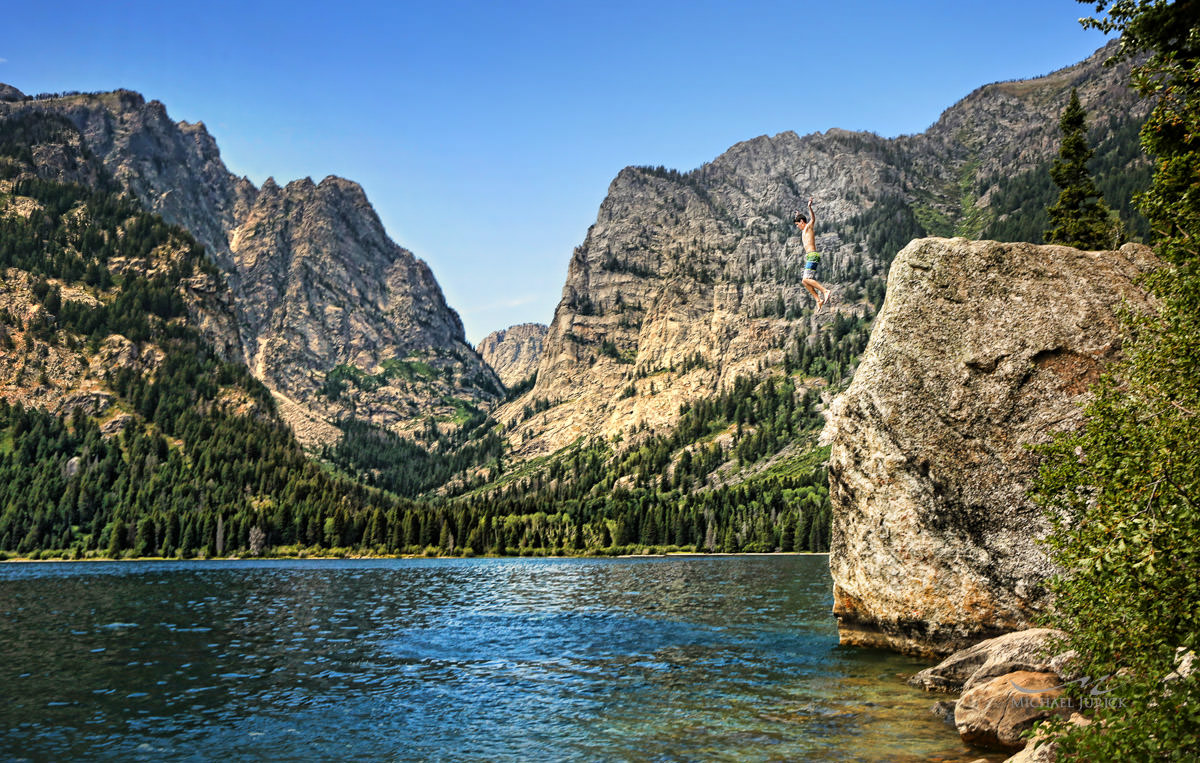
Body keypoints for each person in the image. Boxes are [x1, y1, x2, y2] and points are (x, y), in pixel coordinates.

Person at [794, 198, 832, 312]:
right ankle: (818, 299)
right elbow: (801, 219)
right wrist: (798, 215)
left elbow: (813, 218)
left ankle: (825, 291)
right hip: (810, 257)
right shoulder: (803, 230)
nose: (797, 227)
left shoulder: (808, 227)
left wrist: (809, 207)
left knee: (806, 279)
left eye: (797, 224)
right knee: (804, 281)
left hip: (813, 256)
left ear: (802, 222)